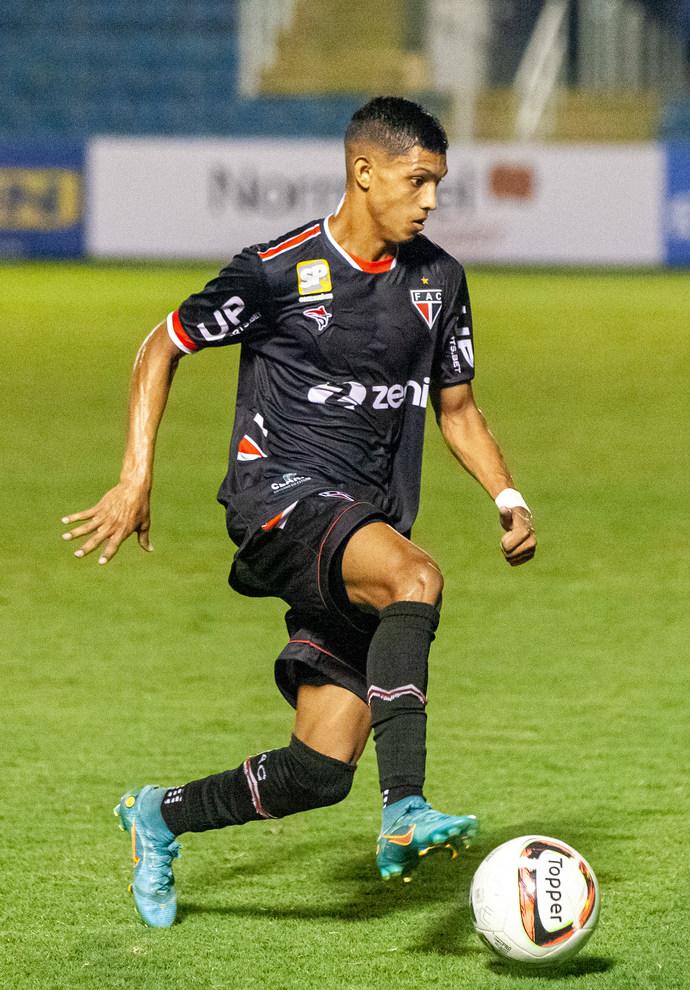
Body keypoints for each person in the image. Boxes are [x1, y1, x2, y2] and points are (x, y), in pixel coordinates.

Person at [61, 97, 536, 927]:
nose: (430, 200)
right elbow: (162, 343)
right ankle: (407, 808)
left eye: (439, 185)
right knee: (416, 577)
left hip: (362, 520)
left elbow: (456, 408)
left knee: (319, 769)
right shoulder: (276, 269)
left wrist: (507, 496)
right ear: (364, 171)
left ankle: (157, 816)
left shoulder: (440, 280)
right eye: (416, 180)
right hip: (277, 500)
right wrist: (136, 475)